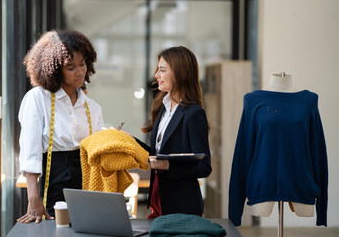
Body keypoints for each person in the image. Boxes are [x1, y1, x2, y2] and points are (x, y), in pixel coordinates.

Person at [17, 30, 104, 223]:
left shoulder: (92, 107)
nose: (80, 71)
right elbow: (30, 151)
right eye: (71, 67)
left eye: (82, 64)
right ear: (54, 69)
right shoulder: (38, 98)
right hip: (54, 175)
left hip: (88, 177)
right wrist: (33, 198)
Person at [229, 73, 328, 227]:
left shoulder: (309, 101)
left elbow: (318, 153)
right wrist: (234, 213)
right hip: (262, 189)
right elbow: (243, 154)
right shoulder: (252, 100)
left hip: (302, 186)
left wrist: (322, 210)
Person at [134, 46, 212, 218]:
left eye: (162, 70)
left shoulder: (193, 113)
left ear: (180, 73)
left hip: (182, 205)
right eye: (157, 70)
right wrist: (127, 141)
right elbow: (157, 155)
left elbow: (204, 168)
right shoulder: (163, 108)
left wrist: (168, 166)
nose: (156, 75)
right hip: (158, 198)